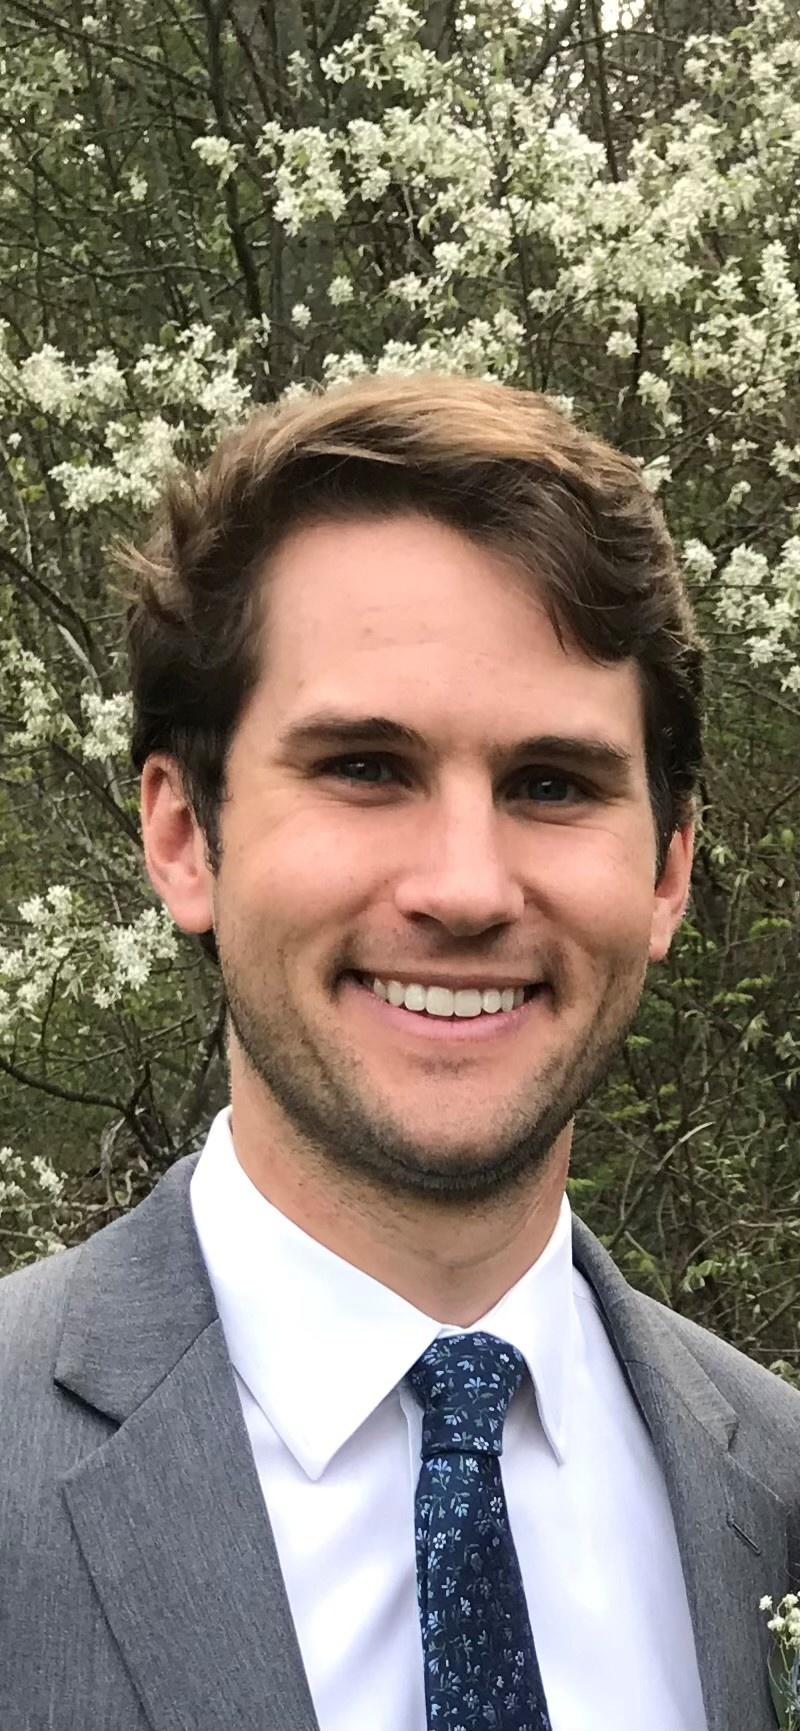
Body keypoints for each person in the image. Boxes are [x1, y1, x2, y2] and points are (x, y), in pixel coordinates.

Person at [1, 376, 798, 1731]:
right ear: (184, 836)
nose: (466, 888)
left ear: (668, 871)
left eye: (552, 784)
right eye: (366, 767)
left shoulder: (776, 1490)